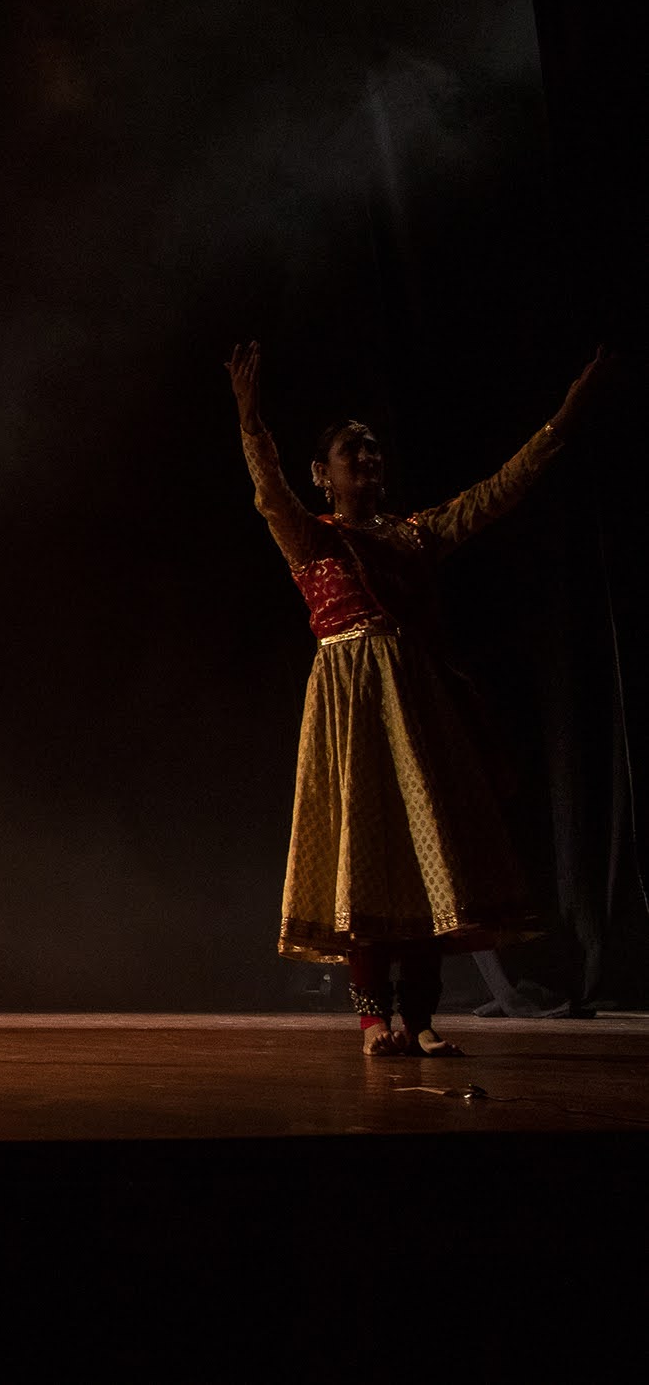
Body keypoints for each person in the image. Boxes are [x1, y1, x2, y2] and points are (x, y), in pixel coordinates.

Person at [226, 342, 608, 1056]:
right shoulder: (311, 538)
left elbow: (497, 493)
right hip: (349, 706)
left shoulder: (414, 535)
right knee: (364, 858)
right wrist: (251, 423)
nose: (367, 462)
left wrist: (561, 421)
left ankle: (422, 1015)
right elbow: (269, 492)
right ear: (324, 473)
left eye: (373, 451)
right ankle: (374, 1019)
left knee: (427, 855)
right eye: (351, 452)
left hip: (414, 706)